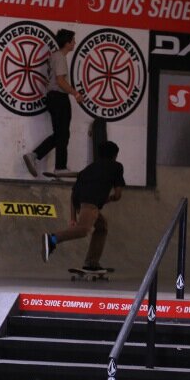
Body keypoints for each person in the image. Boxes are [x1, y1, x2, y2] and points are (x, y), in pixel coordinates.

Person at [41, 141, 125, 272]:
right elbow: (118, 194)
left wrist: (73, 218)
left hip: (79, 201)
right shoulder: (116, 166)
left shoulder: (89, 168)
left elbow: (74, 193)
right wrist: (109, 199)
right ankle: (52, 239)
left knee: (102, 226)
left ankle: (92, 262)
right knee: (83, 230)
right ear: (115, 155)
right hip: (90, 203)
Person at [23, 28, 83, 178]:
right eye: (73, 40)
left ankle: (38, 156)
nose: (74, 43)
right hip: (59, 97)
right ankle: (57, 165)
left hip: (53, 98)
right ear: (67, 43)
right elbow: (60, 81)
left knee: (61, 134)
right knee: (63, 134)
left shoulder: (54, 57)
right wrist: (75, 93)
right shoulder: (60, 57)